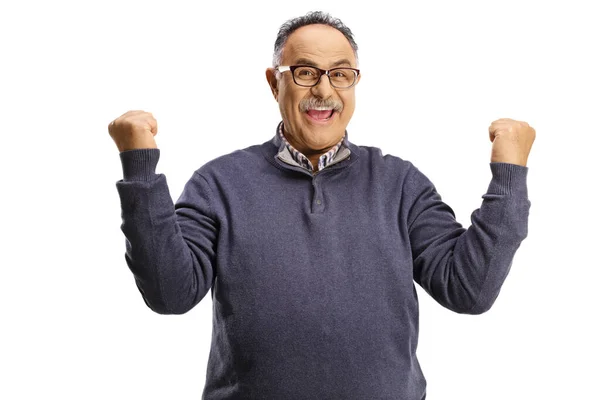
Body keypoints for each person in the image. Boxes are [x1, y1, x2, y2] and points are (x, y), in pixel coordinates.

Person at [108, 11, 535, 400]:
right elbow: (169, 294)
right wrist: (140, 170)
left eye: (341, 74)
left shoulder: (400, 183)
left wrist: (510, 174)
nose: (325, 90)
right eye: (306, 72)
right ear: (275, 83)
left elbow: (469, 289)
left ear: (355, 83)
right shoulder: (219, 183)